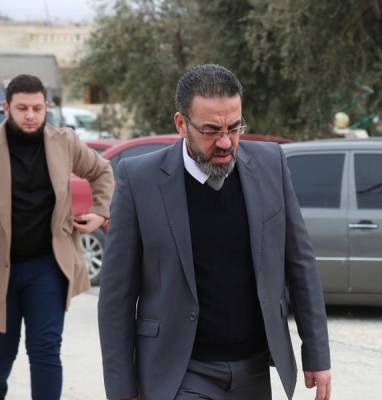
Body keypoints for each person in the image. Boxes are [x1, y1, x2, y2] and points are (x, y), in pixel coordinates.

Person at [98, 64, 331, 400]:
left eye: (234, 128)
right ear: (181, 124)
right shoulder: (139, 179)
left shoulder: (271, 165)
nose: (225, 142)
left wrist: (317, 355)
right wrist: (122, 389)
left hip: (253, 370)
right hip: (179, 373)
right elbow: (116, 295)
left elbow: (301, 265)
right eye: (210, 131)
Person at [0, 74, 114, 400]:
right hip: (3, 269)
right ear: (6, 107)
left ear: (46, 106)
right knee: (2, 355)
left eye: (37, 108)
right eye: (22, 108)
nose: (31, 115)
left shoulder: (64, 142)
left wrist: (101, 212)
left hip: (47, 268)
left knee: (46, 350)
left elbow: (102, 171)